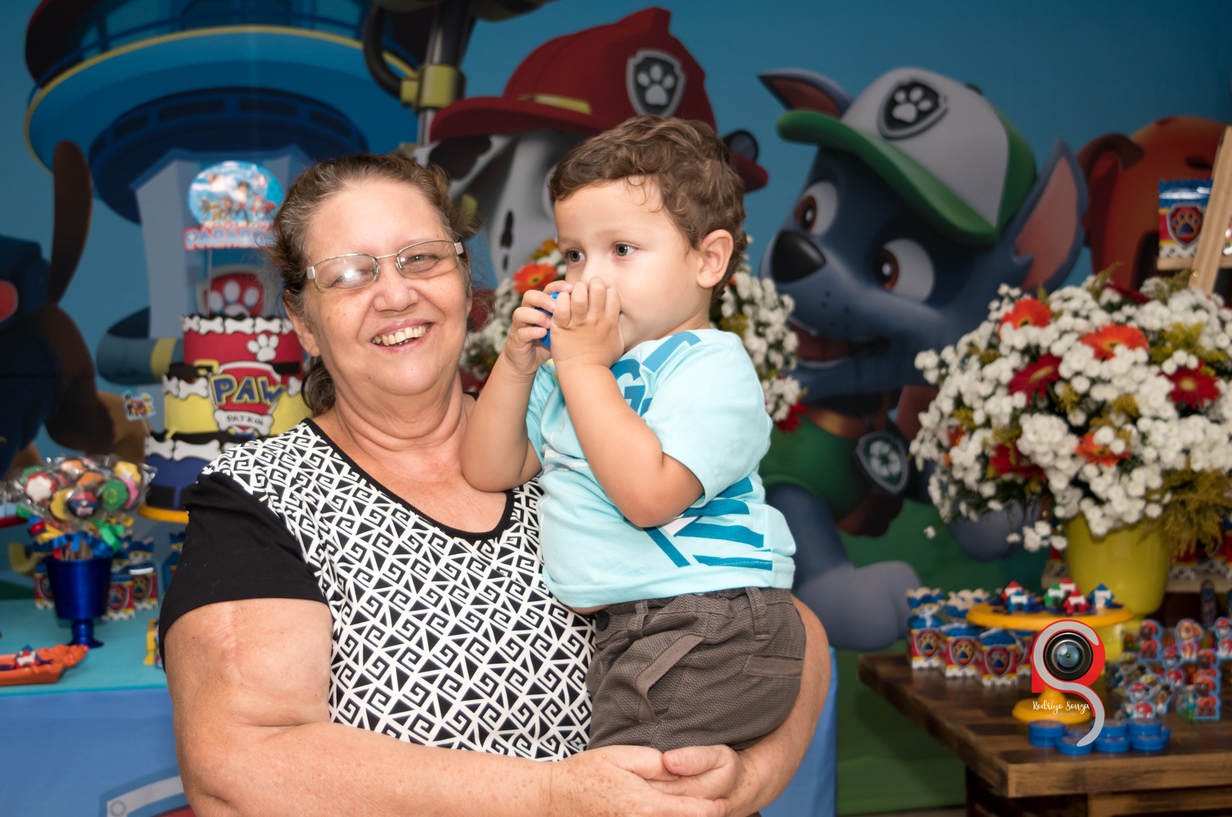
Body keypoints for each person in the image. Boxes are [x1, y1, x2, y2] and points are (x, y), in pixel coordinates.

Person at [160, 153, 830, 817]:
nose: (395, 294)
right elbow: (237, 765)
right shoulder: (260, 497)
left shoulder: (583, 426)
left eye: (421, 258)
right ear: (304, 321)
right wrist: (553, 797)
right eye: (349, 273)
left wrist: (745, 779)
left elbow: (784, 623)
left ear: (464, 281)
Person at [462, 116, 802, 754]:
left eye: (621, 249)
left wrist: (583, 369)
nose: (590, 279)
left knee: (637, 789)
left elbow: (649, 498)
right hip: (641, 627)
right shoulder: (575, 372)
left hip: (713, 621)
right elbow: (489, 468)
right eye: (574, 254)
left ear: (708, 260)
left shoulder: (712, 367)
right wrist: (516, 364)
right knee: (643, 786)